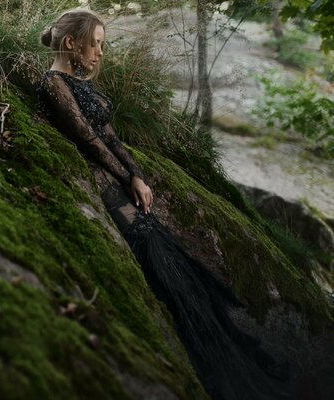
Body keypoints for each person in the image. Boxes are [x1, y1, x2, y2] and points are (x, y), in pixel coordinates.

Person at [37, 9, 289, 400]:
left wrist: (138, 176)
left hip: (119, 184)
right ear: (71, 44)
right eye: (97, 44)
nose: (101, 53)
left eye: (103, 44)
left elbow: (112, 138)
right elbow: (88, 140)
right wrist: (125, 179)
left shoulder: (81, 84)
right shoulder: (55, 83)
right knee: (163, 269)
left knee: (177, 265)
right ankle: (215, 366)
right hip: (102, 187)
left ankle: (240, 350)